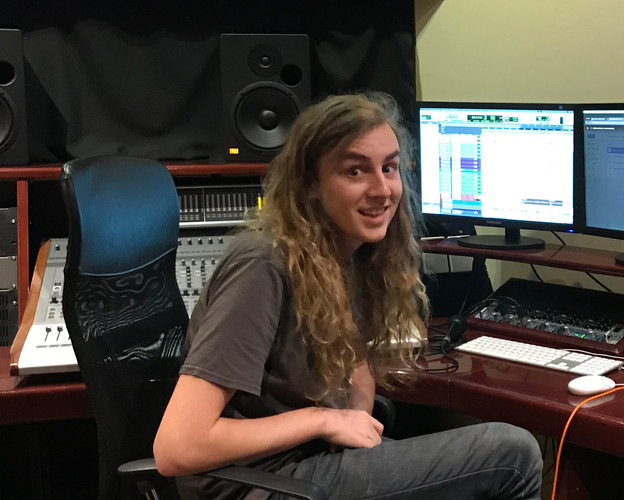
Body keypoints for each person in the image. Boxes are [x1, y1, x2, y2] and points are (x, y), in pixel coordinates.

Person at [153, 92, 543, 499]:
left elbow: (355, 367)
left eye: (389, 167)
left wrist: (351, 424)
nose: (382, 189)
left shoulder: (343, 253)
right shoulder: (263, 265)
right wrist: (322, 420)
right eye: (356, 171)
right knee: (511, 454)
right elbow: (178, 448)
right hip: (258, 484)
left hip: (310, 465)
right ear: (310, 184)